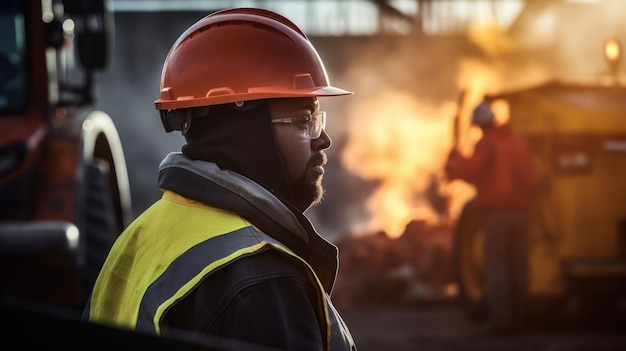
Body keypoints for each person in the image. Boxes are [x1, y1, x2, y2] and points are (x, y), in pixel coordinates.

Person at [83, 8, 356, 351]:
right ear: (247, 132)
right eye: (305, 120)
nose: (323, 139)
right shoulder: (261, 277)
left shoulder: (135, 240)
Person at [445, 98, 536, 334]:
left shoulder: (488, 143)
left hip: (497, 215)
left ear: (480, 123)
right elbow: (529, 178)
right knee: (519, 269)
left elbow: (470, 169)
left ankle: (501, 323)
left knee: (497, 269)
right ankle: (519, 321)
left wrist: (453, 162)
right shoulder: (517, 141)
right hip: (522, 214)